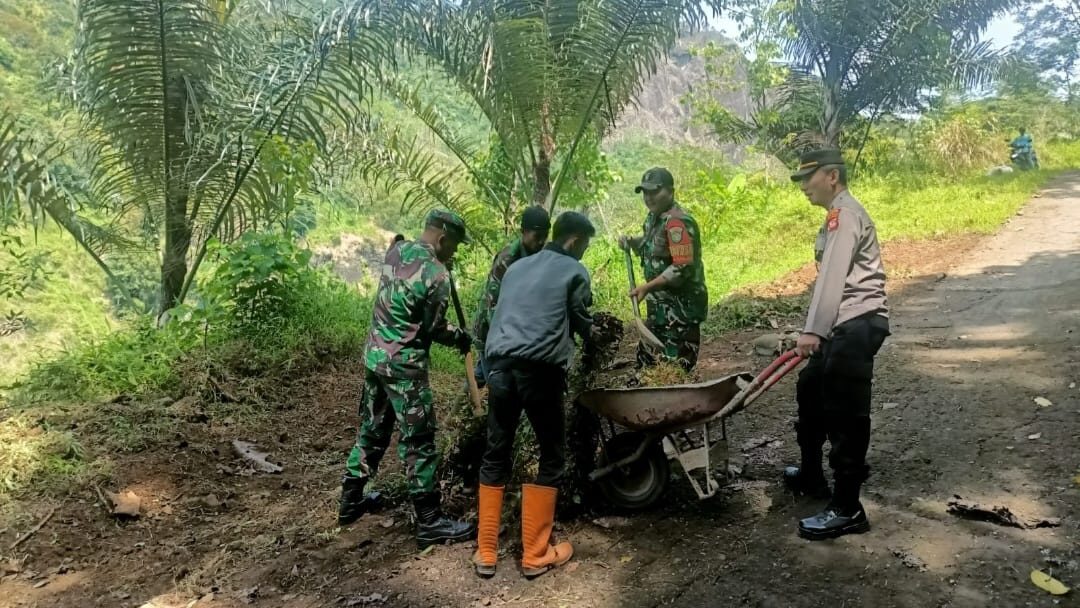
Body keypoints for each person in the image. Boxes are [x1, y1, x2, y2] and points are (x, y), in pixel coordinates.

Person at [337, 209, 477, 549]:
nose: (454, 253)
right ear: (442, 239)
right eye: (454, 246)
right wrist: (460, 337)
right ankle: (429, 521)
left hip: (375, 357)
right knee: (420, 439)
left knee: (372, 428)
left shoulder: (396, 250)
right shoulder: (438, 275)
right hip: (404, 368)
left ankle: (350, 501)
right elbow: (434, 329)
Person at [472, 211, 597, 579]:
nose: (584, 253)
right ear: (574, 241)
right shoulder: (574, 271)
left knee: (496, 452)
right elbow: (579, 317)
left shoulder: (516, 267)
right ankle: (536, 554)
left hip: (499, 369)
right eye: (585, 245)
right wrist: (595, 337)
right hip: (539, 372)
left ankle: (485, 552)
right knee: (552, 455)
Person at [785, 149, 890, 541]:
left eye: (806, 178)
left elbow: (833, 277)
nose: (802, 186)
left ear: (831, 176)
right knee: (810, 388)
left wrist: (814, 330)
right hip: (841, 322)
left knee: (845, 410)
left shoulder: (843, 215)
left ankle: (848, 507)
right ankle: (811, 474)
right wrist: (815, 328)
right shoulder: (835, 216)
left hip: (858, 322)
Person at [618, 167, 708, 372]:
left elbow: (681, 267)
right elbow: (653, 246)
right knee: (649, 364)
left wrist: (647, 287)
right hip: (659, 310)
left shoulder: (678, 222)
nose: (649, 198)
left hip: (680, 312)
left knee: (676, 368)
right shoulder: (653, 219)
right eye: (645, 193)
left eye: (654, 192)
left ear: (670, 191)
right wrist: (632, 242)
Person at [470, 206, 552, 387]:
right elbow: (494, 305)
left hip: (514, 329)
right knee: (497, 383)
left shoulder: (541, 256)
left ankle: (474, 387)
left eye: (544, 237)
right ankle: (476, 400)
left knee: (484, 376)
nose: (541, 242)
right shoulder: (507, 260)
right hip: (490, 331)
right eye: (536, 237)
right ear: (523, 232)